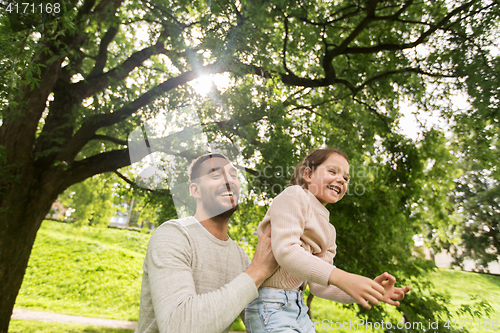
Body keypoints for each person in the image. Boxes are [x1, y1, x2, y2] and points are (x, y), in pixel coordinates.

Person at [244, 148, 411, 333]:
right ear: (307, 174)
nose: (341, 179)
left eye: (346, 178)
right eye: (333, 171)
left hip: (299, 309)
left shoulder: (329, 231)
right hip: (271, 305)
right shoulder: (294, 196)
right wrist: (343, 277)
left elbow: (319, 286)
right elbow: (287, 251)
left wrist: (370, 290)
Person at [135, 153, 278, 333]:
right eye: (216, 175)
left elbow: (263, 324)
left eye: (233, 175)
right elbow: (178, 326)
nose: (229, 181)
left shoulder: (239, 257)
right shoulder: (173, 235)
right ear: (195, 190)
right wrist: (257, 271)